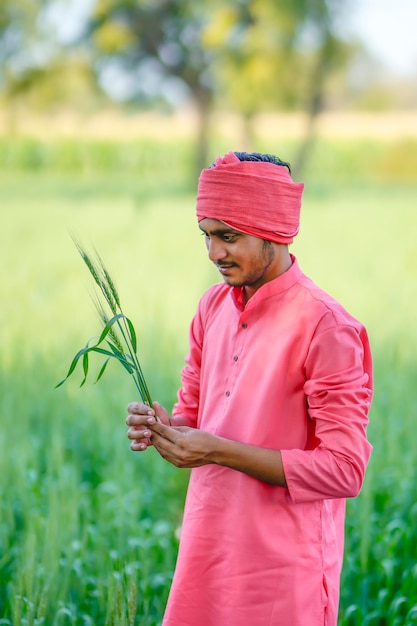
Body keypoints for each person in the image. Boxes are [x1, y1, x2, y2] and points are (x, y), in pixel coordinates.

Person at [126, 151, 373, 626]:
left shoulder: (325, 327)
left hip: (283, 571)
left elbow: (346, 471)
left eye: (229, 236)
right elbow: (194, 420)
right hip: (207, 551)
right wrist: (162, 430)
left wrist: (216, 450)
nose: (215, 252)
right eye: (207, 236)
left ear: (275, 232)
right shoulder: (212, 307)